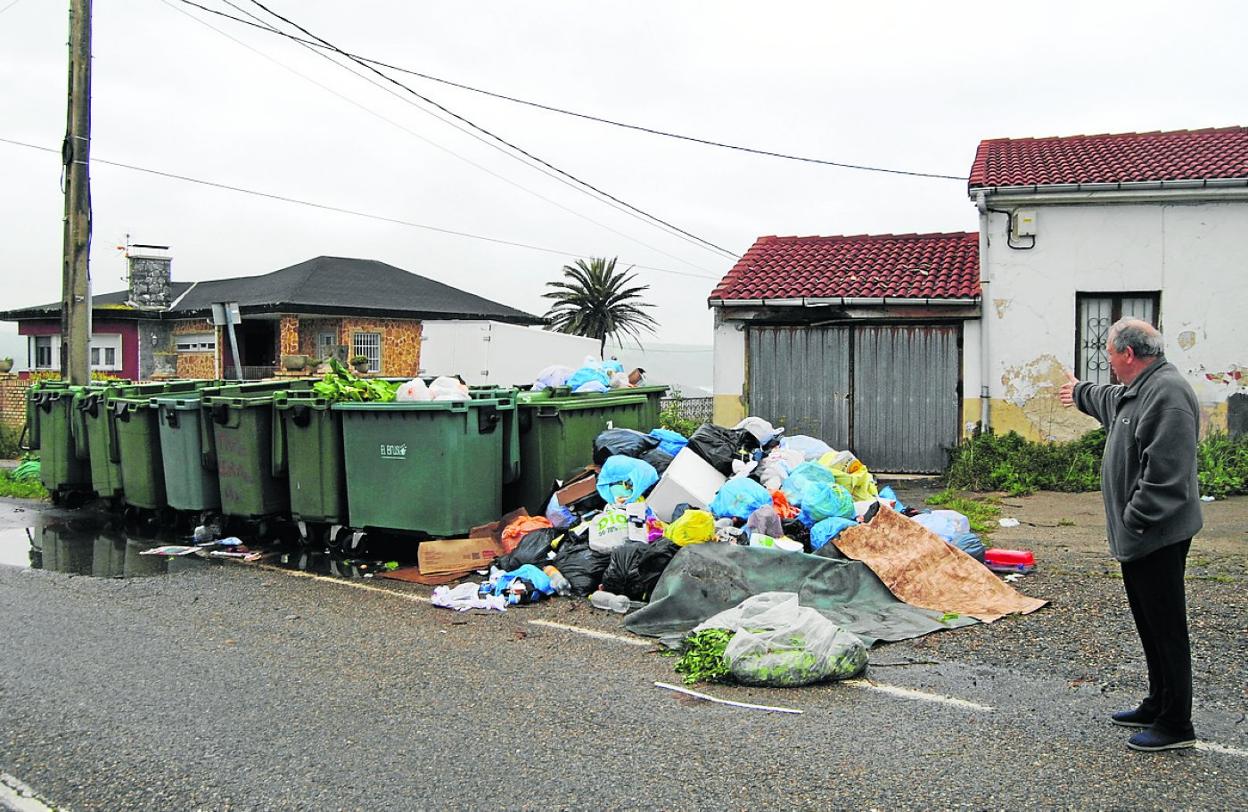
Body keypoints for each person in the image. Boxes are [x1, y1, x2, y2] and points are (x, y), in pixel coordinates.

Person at [1059, 318, 1203, 752]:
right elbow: (1109, 400)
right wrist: (1080, 391)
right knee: (1149, 623)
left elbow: (1167, 476)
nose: (1108, 362)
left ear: (1128, 355)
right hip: (1139, 536)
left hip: (1155, 534)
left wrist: (1135, 518)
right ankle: (1158, 702)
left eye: (1108, 354)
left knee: (1167, 628)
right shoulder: (1139, 390)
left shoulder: (1168, 394)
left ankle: (1177, 724)